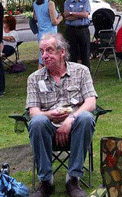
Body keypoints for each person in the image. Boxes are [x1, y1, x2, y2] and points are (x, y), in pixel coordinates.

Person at [26, 33, 96, 197]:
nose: (44, 55)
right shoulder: (34, 78)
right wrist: (49, 115)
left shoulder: (81, 71)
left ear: (62, 52)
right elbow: (33, 111)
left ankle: (73, 179)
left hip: (75, 127)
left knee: (86, 117)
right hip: (47, 129)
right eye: (42, 51)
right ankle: (46, 182)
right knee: (37, 121)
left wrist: (70, 119)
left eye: (49, 50)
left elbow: (91, 103)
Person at [33, 0, 63, 69]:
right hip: (50, 34)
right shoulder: (50, 3)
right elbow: (54, 22)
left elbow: (35, 17)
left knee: (42, 58)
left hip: (41, 33)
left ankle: (40, 79)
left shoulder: (35, 3)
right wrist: (60, 18)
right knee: (52, 57)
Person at [63, 0, 91, 68]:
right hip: (71, 30)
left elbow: (86, 15)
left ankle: (87, 74)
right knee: (72, 54)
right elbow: (67, 17)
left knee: (85, 53)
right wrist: (80, 15)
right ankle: (72, 74)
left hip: (83, 29)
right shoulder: (67, 2)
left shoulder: (86, 1)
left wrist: (71, 13)